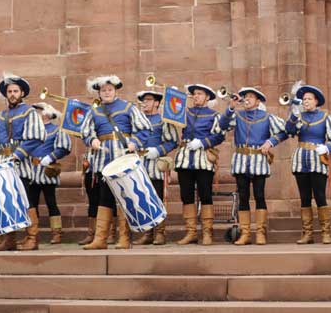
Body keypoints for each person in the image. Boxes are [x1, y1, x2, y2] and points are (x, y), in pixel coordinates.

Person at [79, 75, 152, 250]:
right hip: (102, 159)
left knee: (124, 197)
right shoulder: (94, 111)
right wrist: (92, 140)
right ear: (99, 93)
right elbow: (85, 131)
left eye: (109, 90)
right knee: (104, 198)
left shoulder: (128, 107)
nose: (107, 93)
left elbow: (145, 127)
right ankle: (100, 239)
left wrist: (135, 142)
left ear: (115, 91)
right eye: (103, 90)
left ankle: (124, 238)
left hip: (123, 158)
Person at [220, 87, 287, 245]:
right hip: (241, 160)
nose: (247, 99)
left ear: (258, 101)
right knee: (243, 196)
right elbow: (223, 125)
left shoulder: (267, 117)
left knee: (259, 195)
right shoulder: (237, 115)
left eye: (251, 96)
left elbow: (286, 131)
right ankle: (245, 234)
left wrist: (270, 142)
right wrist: (231, 107)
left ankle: (260, 233)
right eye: (245, 96)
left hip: (259, 160)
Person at [0, 73, 47, 251]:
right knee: (6, 201)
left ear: (22, 93)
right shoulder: (1, 115)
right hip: (2, 163)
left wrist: (18, 155)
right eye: (10, 91)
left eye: (16, 91)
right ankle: (10, 239)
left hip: (20, 164)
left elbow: (36, 136)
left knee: (25, 200)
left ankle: (32, 238)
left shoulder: (29, 112)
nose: (13, 94)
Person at [285, 85, 331, 244]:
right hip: (301, 161)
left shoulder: (326, 117)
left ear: (316, 101)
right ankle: (307, 234)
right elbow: (289, 131)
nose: (306, 101)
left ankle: (326, 232)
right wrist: (293, 114)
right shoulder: (299, 116)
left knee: (319, 196)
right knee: (304, 198)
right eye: (304, 99)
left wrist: (327, 147)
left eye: (309, 99)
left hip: (317, 160)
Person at [173, 84, 227, 246]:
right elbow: (171, 115)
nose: (195, 96)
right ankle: (191, 232)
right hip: (185, 158)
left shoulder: (214, 115)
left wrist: (202, 142)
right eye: (194, 94)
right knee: (186, 195)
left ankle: (207, 232)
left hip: (203, 159)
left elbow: (220, 136)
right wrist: (172, 97)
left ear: (207, 97)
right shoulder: (185, 112)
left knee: (205, 194)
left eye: (199, 94)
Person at [134, 88, 178, 246]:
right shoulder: (137, 120)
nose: (144, 103)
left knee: (157, 199)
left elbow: (173, 141)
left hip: (156, 166)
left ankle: (160, 233)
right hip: (139, 164)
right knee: (143, 199)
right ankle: (147, 234)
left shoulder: (163, 120)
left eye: (148, 100)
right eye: (143, 100)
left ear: (157, 103)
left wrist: (157, 151)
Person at [27, 102, 72, 246]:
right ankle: (33, 234)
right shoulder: (30, 130)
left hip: (47, 171)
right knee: (32, 203)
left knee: (51, 202)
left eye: (38, 111)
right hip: (31, 171)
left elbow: (64, 148)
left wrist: (51, 157)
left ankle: (56, 233)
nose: (36, 114)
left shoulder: (56, 130)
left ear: (46, 113)